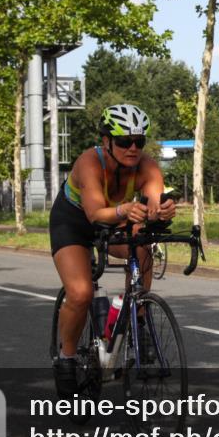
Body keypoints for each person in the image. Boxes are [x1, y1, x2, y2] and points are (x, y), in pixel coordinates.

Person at [49, 104, 176, 396]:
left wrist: (163, 211)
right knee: (80, 293)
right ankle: (67, 358)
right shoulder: (89, 163)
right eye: (123, 142)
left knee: (143, 245)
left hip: (117, 217)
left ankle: (139, 319)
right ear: (106, 141)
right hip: (74, 222)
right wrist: (125, 209)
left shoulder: (147, 167)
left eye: (139, 142)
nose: (133, 148)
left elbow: (154, 204)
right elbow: (94, 214)